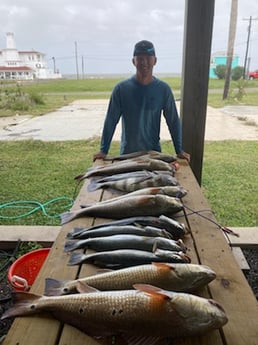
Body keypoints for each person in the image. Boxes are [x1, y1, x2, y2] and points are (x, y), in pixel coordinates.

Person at [93, 40, 190, 162]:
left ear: (155, 60)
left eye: (148, 57)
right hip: (127, 156)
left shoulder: (163, 89)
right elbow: (110, 121)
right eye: (140, 58)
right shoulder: (121, 89)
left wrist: (179, 150)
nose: (144, 62)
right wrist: (103, 150)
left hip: (153, 155)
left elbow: (173, 121)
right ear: (134, 61)